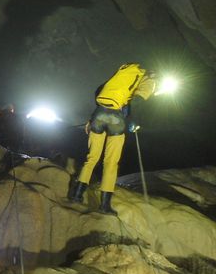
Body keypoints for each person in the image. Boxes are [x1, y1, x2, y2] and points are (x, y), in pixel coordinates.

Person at [67, 63, 157, 214]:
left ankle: (77, 195)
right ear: (154, 75)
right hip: (116, 118)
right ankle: (105, 206)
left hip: (99, 114)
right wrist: (133, 121)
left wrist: (92, 118)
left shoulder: (125, 72)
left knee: (92, 159)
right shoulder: (149, 80)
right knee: (110, 163)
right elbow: (137, 100)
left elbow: (99, 90)